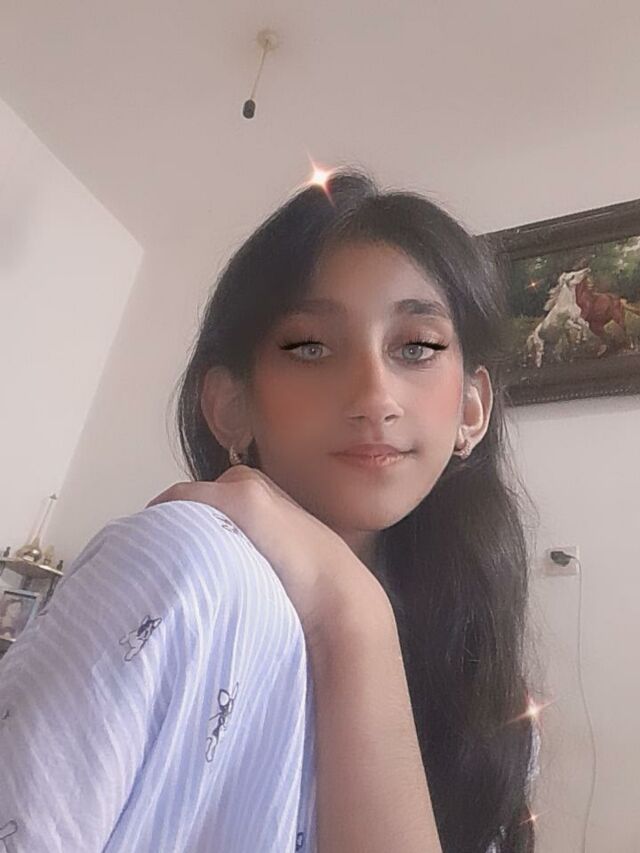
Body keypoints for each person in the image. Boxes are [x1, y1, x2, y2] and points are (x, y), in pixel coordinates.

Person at [0, 167, 540, 852]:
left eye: (416, 347)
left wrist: (353, 613)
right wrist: (355, 617)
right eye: (311, 346)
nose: (375, 396)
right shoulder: (185, 566)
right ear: (231, 405)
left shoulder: (496, 714)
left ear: (472, 408)